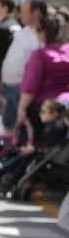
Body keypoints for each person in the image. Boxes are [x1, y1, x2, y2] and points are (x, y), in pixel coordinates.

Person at [13, 11, 69, 144]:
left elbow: (30, 86)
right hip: (65, 107)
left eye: (38, 31)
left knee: (32, 148)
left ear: (44, 32)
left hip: (43, 110)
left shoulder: (40, 56)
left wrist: (21, 109)